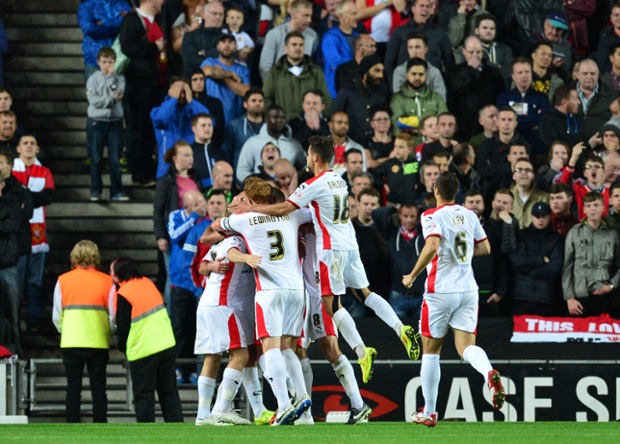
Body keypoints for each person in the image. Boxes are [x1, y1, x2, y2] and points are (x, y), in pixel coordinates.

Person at [228, 136, 422, 384]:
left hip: (330, 249)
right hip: (350, 244)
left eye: (308, 155)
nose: (307, 159)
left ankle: (362, 351)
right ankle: (399, 328)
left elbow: (284, 209)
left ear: (316, 157)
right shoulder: (339, 180)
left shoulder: (314, 184)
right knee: (365, 293)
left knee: (331, 304)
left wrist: (252, 209)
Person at [402, 171, 505, 428]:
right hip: (468, 289)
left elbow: (433, 245)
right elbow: (485, 247)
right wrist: (463, 254)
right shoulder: (469, 215)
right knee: (465, 348)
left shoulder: (431, 215)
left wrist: (413, 274)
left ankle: (430, 411)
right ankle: (488, 372)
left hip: (440, 290)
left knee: (431, 351)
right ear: (457, 192)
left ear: (436, 190)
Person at [212, 178, 314, 426]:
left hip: (269, 291)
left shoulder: (243, 219)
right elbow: (312, 214)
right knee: (289, 347)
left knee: (271, 349)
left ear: (248, 198)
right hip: (296, 290)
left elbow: (217, 225)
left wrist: (237, 208)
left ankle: (282, 406)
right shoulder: (291, 215)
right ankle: (302, 400)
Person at [111, 256, 183, 423]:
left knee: (144, 396)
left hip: (143, 349)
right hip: (166, 344)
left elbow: (123, 327)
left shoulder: (124, 293)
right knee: (169, 392)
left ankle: (146, 433)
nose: (110, 275)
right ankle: (178, 431)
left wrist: (123, 348)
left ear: (118, 275)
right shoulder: (148, 283)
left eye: (112, 272)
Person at [52, 240, 115, 423]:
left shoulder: (63, 280)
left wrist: (67, 331)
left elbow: (57, 315)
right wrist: (107, 331)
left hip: (71, 341)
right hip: (98, 341)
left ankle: (72, 426)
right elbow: (113, 315)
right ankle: (100, 426)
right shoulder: (107, 281)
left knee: (73, 388)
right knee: (98, 389)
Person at [119, 0, 168, 187]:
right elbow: (128, 47)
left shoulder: (158, 20)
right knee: (137, 130)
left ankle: (149, 171)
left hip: (156, 84)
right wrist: (153, 47)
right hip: (138, 85)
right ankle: (138, 173)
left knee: (149, 131)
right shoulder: (132, 19)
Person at [12, 136, 54, 332]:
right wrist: (29, 197)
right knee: (17, 280)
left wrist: (24, 197)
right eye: (25, 143)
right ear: (18, 148)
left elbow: (48, 196)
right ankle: (14, 318)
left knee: (35, 281)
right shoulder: (10, 170)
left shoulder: (44, 171)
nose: (29, 146)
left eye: (32, 143)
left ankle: (33, 319)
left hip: (38, 234)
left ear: (37, 149)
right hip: (16, 233)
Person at [562, 191, 620, 317]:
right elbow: (567, 267)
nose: (592, 209)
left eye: (596, 205)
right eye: (588, 206)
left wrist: (611, 286)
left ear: (603, 207)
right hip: (578, 298)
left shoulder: (613, 234)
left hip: (604, 296)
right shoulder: (574, 232)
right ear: (584, 209)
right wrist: (569, 298)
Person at [86, 47, 129, 201]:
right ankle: (95, 191)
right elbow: (93, 100)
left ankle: (117, 191)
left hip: (115, 122)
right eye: (104, 62)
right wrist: (110, 101)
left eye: (110, 62)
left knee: (115, 159)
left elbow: (119, 93)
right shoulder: (93, 79)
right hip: (97, 122)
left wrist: (111, 80)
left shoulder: (120, 78)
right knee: (96, 158)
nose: (107, 65)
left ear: (115, 62)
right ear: (98, 62)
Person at [510, 202, 565, 316]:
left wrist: (528, 271)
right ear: (531, 217)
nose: (540, 220)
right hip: (521, 297)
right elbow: (517, 261)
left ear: (550, 217)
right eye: (537, 216)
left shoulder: (557, 239)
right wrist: (540, 260)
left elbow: (555, 267)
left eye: (543, 216)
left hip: (546, 298)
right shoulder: (521, 235)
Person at [0, 150, 31, 357]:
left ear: (10, 166)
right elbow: (9, 221)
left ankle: (16, 349)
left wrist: (9, 221)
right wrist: (8, 220)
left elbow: (21, 218)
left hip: (9, 260)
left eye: (1, 162)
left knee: (13, 309)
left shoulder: (20, 190)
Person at [372, 201, 426, 318]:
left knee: (422, 333)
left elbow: (435, 209)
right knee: (398, 333)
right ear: (399, 216)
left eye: (412, 216)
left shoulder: (425, 234)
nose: (409, 220)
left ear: (417, 217)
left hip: (422, 294)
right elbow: (376, 214)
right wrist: (395, 208)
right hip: (398, 295)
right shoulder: (391, 233)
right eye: (405, 216)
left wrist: (420, 208)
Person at [447, 35, 506, 141]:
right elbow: (453, 90)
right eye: (471, 52)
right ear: (463, 51)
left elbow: (501, 97)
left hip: (487, 129)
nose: (475, 56)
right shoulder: (454, 72)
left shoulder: (493, 73)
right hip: (462, 128)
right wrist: (470, 70)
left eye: (478, 52)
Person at [263, 31, 331, 121]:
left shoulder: (315, 72)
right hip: (282, 127)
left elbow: (325, 99)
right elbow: (266, 99)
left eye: (301, 45)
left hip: (308, 127)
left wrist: (318, 119)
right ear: (286, 48)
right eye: (294, 45)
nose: (298, 48)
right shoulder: (274, 73)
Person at [151, 78, 210, 179]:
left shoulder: (192, 112)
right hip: (166, 168)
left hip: (190, 168)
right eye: (178, 91)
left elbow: (206, 119)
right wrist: (173, 99)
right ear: (170, 91)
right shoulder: (158, 111)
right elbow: (160, 119)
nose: (182, 95)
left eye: (184, 92)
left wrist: (191, 101)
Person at [384, 0, 454, 82]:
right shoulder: (399, 32)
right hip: (404, 88)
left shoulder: (440, 33)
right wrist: (394, 91)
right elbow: (388, 66)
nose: (425, 9)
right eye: (421, 6)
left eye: (428, 6)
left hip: (432, 88)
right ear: (413, 9)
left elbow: (450, 65)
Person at [496, 57, 549, 158]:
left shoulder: (542, 97)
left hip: (536, 147)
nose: (524, 76)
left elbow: (543, 119)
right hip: (509, 148)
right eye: (520, 73)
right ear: (513, 76)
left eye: (527, 72)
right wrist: (532, 117)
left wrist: (516, 118)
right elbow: (502, 120)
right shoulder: (503, 97)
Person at [331, 54, 390, 145]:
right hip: (350, 146)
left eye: (382, 71)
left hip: (376, 147)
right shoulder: (347, 93)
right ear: (365, 73)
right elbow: (333, 117)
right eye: (376, 71)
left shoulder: (382, 96)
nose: (380, 75)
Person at [236, 105, 305, 182]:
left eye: (282, 117)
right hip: (260, 191)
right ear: (266, 119)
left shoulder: (294, 144)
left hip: (289, 191)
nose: (279, 120)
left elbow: (306, 165)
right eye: (275, 117)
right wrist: (258, 184)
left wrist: (295, 178)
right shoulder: (252, 142)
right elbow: (242, 171)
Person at [259, 0, 318, 81]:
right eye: (305, 16)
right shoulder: (274, 34)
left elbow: (314, 66)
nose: (309, 20)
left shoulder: (313, 36)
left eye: (310, 16)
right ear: (294, 15)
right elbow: (265, 66)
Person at [200, 34, 251, 126]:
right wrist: (230, 74)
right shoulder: (209, 62)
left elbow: (245, 92)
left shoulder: (243, 70)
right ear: (218, 47)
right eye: (223, 42)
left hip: (234, 122)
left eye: (230, 42)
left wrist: (224, 77)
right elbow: (208, 71)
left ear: (236, 47)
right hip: (210, 120)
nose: (227, 45)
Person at [390, 58, 447, 135]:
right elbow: (399, 123)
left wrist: (412, 125)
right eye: (413, 74)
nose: (417, 77)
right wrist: (428, 124)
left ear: (426, 75)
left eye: (421, 74)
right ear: (406, 75)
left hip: (433, 144)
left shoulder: (436, 97)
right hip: (409, 144)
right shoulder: (397, 98)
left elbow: (444, 122)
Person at [77, 0, 132, 81]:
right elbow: (89, 28)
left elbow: (129, 25)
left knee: (119, 93)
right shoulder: (87, 6)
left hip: (120, 60)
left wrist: (102, 22)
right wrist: (117, 24)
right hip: (95, 60)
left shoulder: (123, 4)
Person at [555, 146, 610, 220]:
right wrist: (573, 159)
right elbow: (563, 187)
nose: (593, 169)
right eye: (589, 167)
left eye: (597, 166)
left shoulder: (611, 193)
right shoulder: (577, 191)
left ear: (603, 172)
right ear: (584, 173)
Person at [321, 0, 362, 98]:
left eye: (356, 13)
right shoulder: (329, 37)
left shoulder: (359, 37)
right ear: (341, 17)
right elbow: (335, 61)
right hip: (336, 92)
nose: (357, 17)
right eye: (353, 14)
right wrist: (357, 62)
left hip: (356, 91)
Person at [391, 32, 446, 100]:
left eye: (417, 47)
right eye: (410, 47)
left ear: (426, 49)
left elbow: (441, 99)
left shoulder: (434, 72)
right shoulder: (400, 71)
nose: (414, 51)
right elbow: (399, 99)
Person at [222, 88, 264, 172]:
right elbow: (226, 154)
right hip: (242, 180)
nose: (257, 103)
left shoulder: (269, 127)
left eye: (260, 101)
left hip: (267, 179)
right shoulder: (234, 126)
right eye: (253, 100)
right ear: (245, 104)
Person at [181, 0, 225, 78]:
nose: (218, 17)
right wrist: (212, 65)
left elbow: (229, 58)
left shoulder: (227, 38)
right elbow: (190, 60)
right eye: (214, 14)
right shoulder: (190, 36)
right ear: (204, 14)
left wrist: (204, 53)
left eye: (221, 14)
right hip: (195, 80)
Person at [575, 59, 618, 139]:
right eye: (585, 73)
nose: (589, 77)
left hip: (602, 145)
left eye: (592, 74)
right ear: (577, 75)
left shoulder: (612, 95)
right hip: (570, 145)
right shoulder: (566, 93)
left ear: (598, 75)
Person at [372, 132, 418, 204]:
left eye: (401, 147)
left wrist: (418, 185)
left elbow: (422, 177)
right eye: (395, 146)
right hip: (392, 202)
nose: (397, 149)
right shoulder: (389, 164)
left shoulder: (415, 164)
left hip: (412, 202)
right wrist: (383, 184)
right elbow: (375, 174)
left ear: (410, 150)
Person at [472, 13, 513, 88]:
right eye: (485, 28)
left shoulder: (505, 49)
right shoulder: (470, 50)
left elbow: (509, 72)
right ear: (476, 30)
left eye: (492, 28)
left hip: (501, 91)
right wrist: (498, 66)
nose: (488, 31)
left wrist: (486, 66)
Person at [188, 69, 226, 148]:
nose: (199, 82)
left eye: (201, 79)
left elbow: (219, 130)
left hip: (210, 146)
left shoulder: (215, 103)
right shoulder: (184, 104)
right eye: (195, 79)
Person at [510, 157, 549, 229]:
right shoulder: (504, 197)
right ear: (513, 176)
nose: (524, 173)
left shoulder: (545, 198)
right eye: (519, 170)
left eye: (528, 170)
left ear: (533, 176)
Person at [190, 113, 226, 188]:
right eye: (203, 125)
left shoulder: (220, 154)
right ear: (194, 128)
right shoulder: (189, 154)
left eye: (210, 125)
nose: (207, 128)